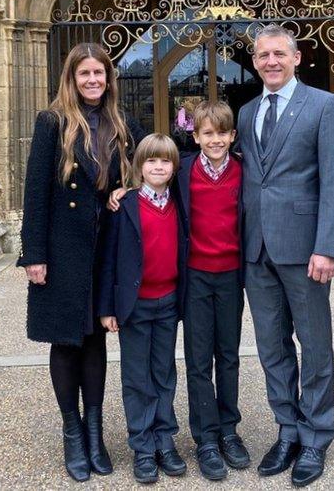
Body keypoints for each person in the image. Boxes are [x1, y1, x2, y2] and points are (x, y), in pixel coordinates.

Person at [18, 42, 145, 482]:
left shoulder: (120, 123)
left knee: (95, 341)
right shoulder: (52, 122)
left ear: (109, 79)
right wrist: (33, 255)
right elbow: (35, 191)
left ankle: (95, 430)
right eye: (84, 74)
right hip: (63, 247)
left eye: (100, 74)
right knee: (66, 340)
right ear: (71, 79)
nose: (93, 81)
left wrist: (126, 189)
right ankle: (72, 430)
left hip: (104, 246)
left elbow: (149, 167)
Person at [235, 24, 334, 487]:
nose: (271, 62)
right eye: (263, 55)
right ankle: (287, 429)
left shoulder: (323, 106)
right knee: (271, 346)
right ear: (255, 60)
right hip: (256, 248)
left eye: (279, 54)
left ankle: (317, 435)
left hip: (305, 249)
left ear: (297, 57)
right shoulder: (246, 112)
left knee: (314, 343)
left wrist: (327, 247)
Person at [98, 134, 189, 484]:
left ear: (174, 167)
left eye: (165, 161)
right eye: (151, 161)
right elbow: (108, 259)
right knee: (137, 378)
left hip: (168, 303)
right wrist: (108, 308)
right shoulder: (125, 206)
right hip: (134, 307)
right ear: (139, 166)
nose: (158, 166)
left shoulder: (179, 201)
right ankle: (142, 445)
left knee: (164, 373)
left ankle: (165, 440)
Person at [174, 100, 250, 481]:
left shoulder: (244, 170)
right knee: (199, 359)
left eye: (222, 133)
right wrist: (123, 192)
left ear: (232, 136)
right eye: (208, 133)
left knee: (229, 355)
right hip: (196, 276)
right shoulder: (182, 170)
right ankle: (205, 436)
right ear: (195, 136)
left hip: (231, 275)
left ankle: (228, 430)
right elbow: (148, 180)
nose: (215, 140)